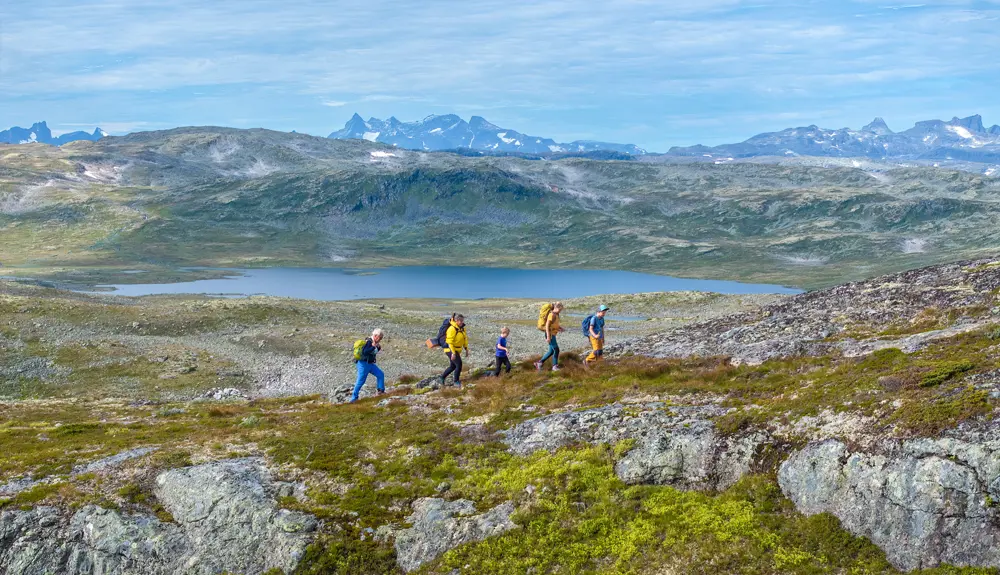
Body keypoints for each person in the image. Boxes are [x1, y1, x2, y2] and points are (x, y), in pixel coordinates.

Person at [350, 328, 386, 403]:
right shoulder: (369, 341)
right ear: (376, 336)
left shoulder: (374, 343)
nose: (380, 339)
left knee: (380, 374)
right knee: (360, 381)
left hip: (370, 364)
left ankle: (381, 391)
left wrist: (377, 347)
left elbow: (374, 351)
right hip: (363, 364)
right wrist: (373, 346)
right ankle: (353, 399)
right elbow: (365, 352)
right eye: (380, 337)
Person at [440, 314, 469, 387]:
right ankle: (456, 381)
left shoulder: (462, 328)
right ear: (456, 320)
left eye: (462, 320)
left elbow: (464, 339)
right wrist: (453, 353)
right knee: (459, 364)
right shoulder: (452, 329)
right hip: (450, 349)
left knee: (453, 366)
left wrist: (466, 349)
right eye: (460, 321)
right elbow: (450, 342)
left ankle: (442, 377)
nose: (462, 322)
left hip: (456, 350)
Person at [534, 302, 564, 371]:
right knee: (556, 349)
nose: (560, 311)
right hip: (550, 334)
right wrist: (548, 336)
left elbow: (554, 324)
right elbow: (547, 325)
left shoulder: (556, 315)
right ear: (556, 308)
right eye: (559, 310)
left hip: (552, 334)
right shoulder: (552, 315)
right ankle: (554, 366)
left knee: (551, 351)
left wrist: (560, 328)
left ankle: (539, 363)